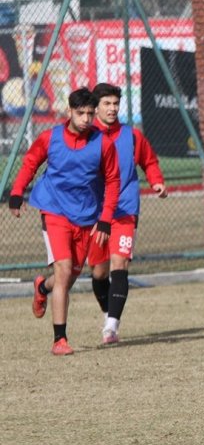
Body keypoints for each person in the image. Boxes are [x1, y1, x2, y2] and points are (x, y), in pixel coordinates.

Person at [34, 83, 168, 345]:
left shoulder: (132, 136)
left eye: (116, 104)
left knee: (121, 263)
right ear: (95, 109)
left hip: (125, 210)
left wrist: (156, 181)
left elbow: (149, 161)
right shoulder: (88, 137)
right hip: (96, 214)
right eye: (106, 104)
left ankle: (111, 325)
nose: (112, 109)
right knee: (96, 274)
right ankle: (44, 287)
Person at [9, 87, 120, 355]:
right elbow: (30, 163)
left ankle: (41, 287)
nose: (85, 119)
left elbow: (114, 181)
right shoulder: (50, 138)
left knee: (67, 278)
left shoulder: (103, 143)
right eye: (80, 113)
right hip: (54, 210)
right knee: (63, 268)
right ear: (69, 111)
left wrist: (105, 219)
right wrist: (16, 192)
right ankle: (60, 339)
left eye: (90, 114)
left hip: (86, 216)